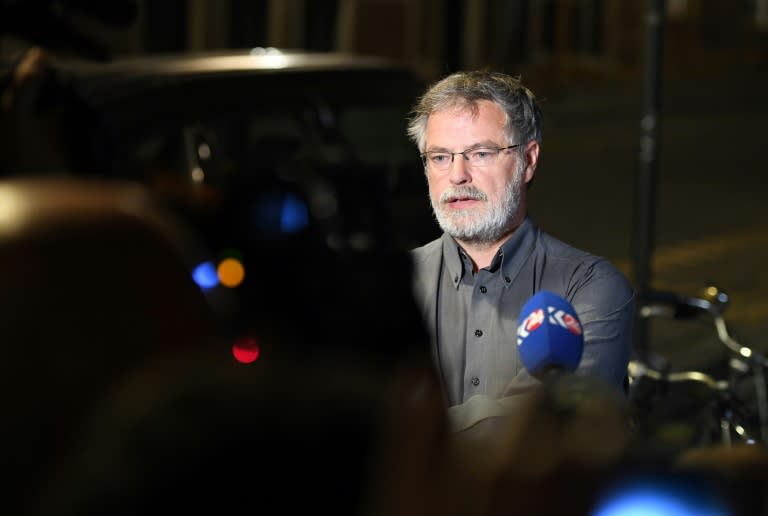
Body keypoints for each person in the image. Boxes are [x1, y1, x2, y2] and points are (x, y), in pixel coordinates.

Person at [406, 70, 634, 436]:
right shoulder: (391, 286)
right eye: (440, 157)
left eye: (480, 153)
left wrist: (414, 437)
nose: (457, 175)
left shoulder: (590, 287)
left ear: (528, 160)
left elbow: (550, 424)